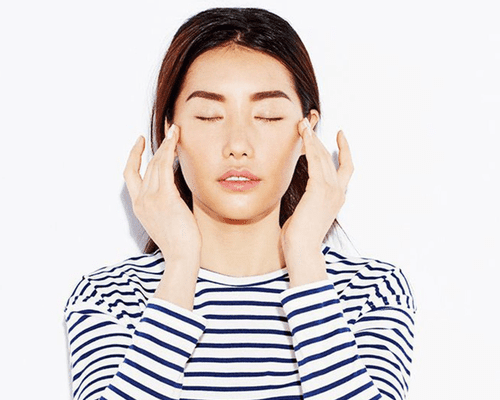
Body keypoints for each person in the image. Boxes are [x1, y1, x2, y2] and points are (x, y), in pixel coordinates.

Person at [64, 7, 416, 400]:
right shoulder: (111, 298)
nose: (237, 146)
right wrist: (180, 265)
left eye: (267, 116)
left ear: (307, 132)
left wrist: (303, 254)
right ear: (171, 133)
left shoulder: (370, 293)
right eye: (209, 115)